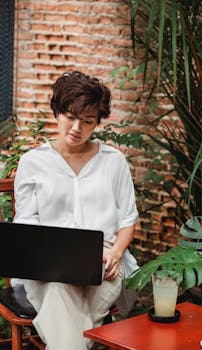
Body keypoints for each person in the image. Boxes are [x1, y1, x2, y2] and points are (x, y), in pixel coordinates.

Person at [13, 71, 138, 350]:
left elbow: (129, 220)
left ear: (97, 123)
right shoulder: (33, 162)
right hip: (47, 267)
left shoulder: (114, 161)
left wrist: (116, 253)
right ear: (57, 112)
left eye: (88, 121)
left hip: (103, 264)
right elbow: (25, 223)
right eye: (70, 116)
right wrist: (51, 258)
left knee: (64, 306)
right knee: (59, 288)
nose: (76, 127)